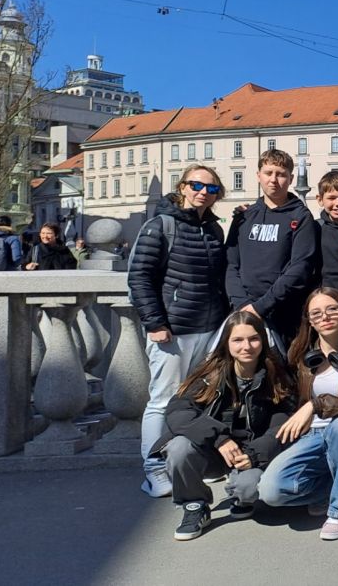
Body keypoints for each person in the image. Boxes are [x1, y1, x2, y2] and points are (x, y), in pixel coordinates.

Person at [128, 165, 230, 498]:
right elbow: (139, 277)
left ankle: (193, 461)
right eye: (197, 185)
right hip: (173, 330)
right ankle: (153, 469)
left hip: (208, 327)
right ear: (182, 187)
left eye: (211, 189)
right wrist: (155, 323)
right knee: (162, 399)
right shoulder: (160, 225)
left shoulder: (213, 229)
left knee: (199, 399)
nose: (203, 192)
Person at [151, 310, 296, 540]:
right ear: (226, 343)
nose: (246, 346)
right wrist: (219, 438)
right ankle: (195, 506)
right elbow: (178, 411)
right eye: (237, 340)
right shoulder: (210, 373)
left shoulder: (275, 375)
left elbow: (281, 426)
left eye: (253, 339)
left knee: (249, 489)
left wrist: (254, 454)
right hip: (212, 449)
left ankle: (240, 495)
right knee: (178, 448)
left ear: (263, 341)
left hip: (249, 452)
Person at [257, 287, 338, 541]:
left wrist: (316, 405)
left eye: (332, 309)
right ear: (310, 321)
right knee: (271, 490)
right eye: (316, 313)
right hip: (312, 435)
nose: (324, 317)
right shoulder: (301, 354)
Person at [225, 149, 320, 351]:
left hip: (282, 314)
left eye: (281, 174)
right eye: (268, 173)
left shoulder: (301, 217)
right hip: (243, 311)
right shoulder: (244, 216)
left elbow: (300, 268)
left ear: (291, 178)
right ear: (258, 175)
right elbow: (231, 264)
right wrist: (242, 305)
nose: (274, 180)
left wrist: (261, 307)